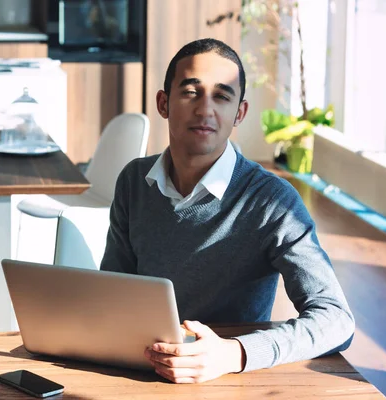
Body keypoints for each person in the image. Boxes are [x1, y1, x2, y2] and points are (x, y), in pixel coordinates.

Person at [99, 38, 355, 384]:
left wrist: (235, 353)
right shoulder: (134, 181)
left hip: (227, 380)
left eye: (221, 96)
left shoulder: (272, 200)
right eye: (191, 92)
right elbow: (113, 291)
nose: (205, 109)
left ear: (240, 113)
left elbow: (336, 320)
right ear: (164, 103)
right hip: (141, 370)